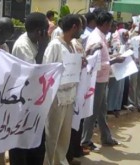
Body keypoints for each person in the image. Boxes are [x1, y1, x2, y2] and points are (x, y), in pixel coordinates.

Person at [43, 14, 85, 165]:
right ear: (74, 27)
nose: (81, 30)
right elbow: (47, 70)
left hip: (70, 96)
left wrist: (81, 64)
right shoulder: (55, 45)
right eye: (80, 27)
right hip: (57, 97)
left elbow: (73, 68)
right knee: (52, 135)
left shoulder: (73, 45)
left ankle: (60, 162)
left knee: (64, 136)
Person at [81, 11, 124, 152]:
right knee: (93, 111)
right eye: (110, 25)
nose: (111, 28)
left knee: (101, 110)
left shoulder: (101, 36)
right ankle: (85, 140)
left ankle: (106, 137)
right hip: (97, 80)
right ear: (105, 24)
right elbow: (95, 63)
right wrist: (114, 60)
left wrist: (113, 56)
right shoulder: (96, 38)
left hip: (102, 79)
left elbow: (103, 58)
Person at [9, 12, 49, 165]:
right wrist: (44, 46)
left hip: (35, 101)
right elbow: (34, 72)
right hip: (23, 102)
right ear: (40, 31)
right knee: (21, 145)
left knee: (36, 142)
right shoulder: (23, 45)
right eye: (46, 29)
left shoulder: (35, 42)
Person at [107, 29, 130, 117]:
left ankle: (117, 107)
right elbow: (113, 54)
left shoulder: (126, 44)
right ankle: (110, 108)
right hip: (115, 69)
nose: (126, 37)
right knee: (114, 88)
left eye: (127, 35)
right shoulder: (116, 43)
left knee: (120, 89)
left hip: (122, 69)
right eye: (124, 35)